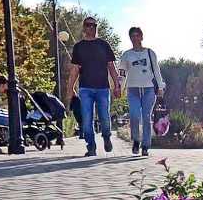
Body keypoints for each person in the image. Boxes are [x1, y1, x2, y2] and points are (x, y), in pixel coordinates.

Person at [65, 17, 121, 156]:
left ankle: (106, 136)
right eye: (88, 25)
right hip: (85, 88)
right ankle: (91, 147)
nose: (91, 27)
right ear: (84, 27)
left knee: (104, 117)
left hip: (103, 88)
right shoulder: (79, 47)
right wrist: (70, 87)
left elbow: (111, 67)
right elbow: (75, 69)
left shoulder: (104, 45)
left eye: (94, 25)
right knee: (87, 119)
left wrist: (117, 85)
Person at [118, 26, 165, 157]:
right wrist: (119, 87)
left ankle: (145, 145)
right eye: (133, 36)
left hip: (148, 89)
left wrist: (160, 87)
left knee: (146, 117)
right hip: (132, 89)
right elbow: (122, 72)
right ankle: (136, 140)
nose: (135, 38)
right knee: (134, 116)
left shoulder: (150, 53)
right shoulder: (127, 55)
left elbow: (156, 70)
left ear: (142, 37)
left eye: (137, 35)